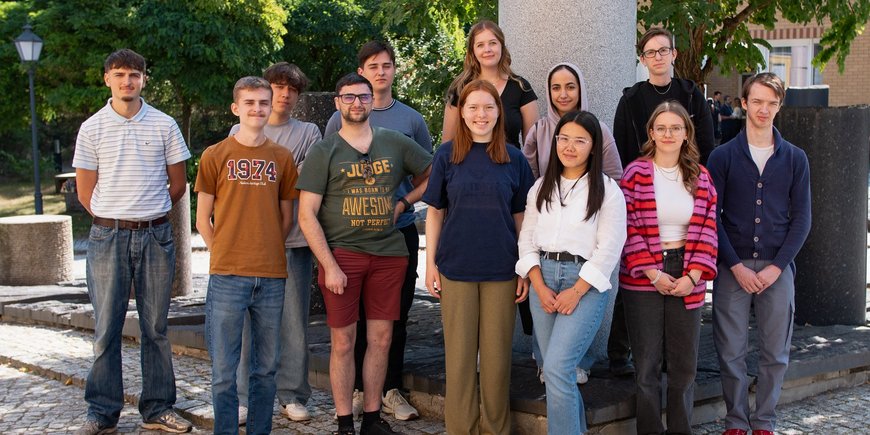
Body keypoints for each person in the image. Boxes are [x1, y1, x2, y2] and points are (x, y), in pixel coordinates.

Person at [297, 72, 432, 435]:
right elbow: (306, 214)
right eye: (349, 97)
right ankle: (344, 423)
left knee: (382, 339)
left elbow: (433, 174)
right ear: (338, 103)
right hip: (343, 256)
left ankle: (372, 418)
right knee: (343, 341)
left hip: (389, 255)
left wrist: (405, 202)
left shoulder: (394, 141)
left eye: (363, 97)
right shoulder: (324, 151)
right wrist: (329, 266)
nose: (356, 103)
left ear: (373, 101)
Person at [73, 48, 192, 435]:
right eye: (120, 74)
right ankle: (102, 413)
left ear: (144, 79)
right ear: (106, 77)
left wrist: (148, 209)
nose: (128, 81)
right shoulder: (91, 128)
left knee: (155, 328)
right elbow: (85, 191)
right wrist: (115, 215)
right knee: (106, 327)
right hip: (108, 236)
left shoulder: (164, 124)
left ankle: (158, 407)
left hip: (156, 235)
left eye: (135, 75)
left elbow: (178, 183)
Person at [423, 79, 534, 434]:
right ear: (462, 113)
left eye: (488, 107)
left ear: (499, 112)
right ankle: (461, 429)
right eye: (473, 107)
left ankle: (496, 429)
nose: (480, 114)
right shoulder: (446, 155)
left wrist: (525, 270)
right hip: (455, 267)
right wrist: (430, 265)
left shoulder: (514, 159)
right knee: (458, 359)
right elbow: (435, 211)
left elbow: (522, 219)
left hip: (502, 269)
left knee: (497, 360)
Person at [708, 72, 811, 435]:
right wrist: (734, 265)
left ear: (779, 106)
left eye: (771, 103)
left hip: (777, 269)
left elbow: (802, 220)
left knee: (775, 351)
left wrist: (777, 268)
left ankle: (764, 421)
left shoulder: (796, 159)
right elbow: (711, 216)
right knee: (730, 351)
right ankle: (736, 421)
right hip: (731, 268)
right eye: (757, 101)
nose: (763, 109)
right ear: (745, 102)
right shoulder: (722, 157)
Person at [610, 26, 716, 378]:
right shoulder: (631, 99)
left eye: (663, 50)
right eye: (650, 52)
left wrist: (690, 180)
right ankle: (619, 352)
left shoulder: (691, 95)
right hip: (642, 192)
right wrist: (641, 184)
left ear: (673, 54)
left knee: (677, 307)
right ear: (642, 59)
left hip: (683, 184)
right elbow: (624, 147)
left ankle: (673, 360)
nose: (657, 57)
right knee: (636, 287)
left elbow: (707, 146)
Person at [195, 76, 298, 434]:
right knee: (224, 370)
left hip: (271, 276)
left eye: (263, 103)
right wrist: (222, 250)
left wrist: (267, 245)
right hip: (227, 276)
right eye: (250, 103)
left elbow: (287, 217)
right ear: (236, 108)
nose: (257, 109)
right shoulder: (215, 155)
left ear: (271, 108)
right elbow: (201, 218)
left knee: (265, 369)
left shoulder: (282, 157)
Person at [517, 110, 627, 434]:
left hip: (585, 283)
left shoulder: (607, 191)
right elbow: (527, 238)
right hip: (543, 280)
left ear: (593, 147)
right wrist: (537, 284)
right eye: (564, 138)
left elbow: (609, 249)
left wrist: (576, 290)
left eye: (580, 140)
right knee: (555, 372)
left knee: (558, 367)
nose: (570, 146)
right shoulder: (540, 187)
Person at [230, 63, 322, 424]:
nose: (284, 94)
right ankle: (243, 397)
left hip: (294, 241)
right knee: (245, 324)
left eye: (291, 89)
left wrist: (271, 176)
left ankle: (293, 394)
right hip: (248, 242)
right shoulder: (240, 129)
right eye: (277, 87)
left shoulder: (308, 132)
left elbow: (300, 180)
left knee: (293, 322)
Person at [620, 101, 718, 435]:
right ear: (651, 132)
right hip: (644, 274)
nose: (668, 134)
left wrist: (693, 276)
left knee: (684, 365)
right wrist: (652, 272)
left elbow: (708, 228)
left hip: (687, 269)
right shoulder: (635, 173)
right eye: (661, 128)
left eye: (675, 128)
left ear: (686, 133)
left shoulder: (701, 177)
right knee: (646, 364)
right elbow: (627, 226)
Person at [522, 62, 624, 385]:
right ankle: (545, 363)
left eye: (570, 86)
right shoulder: (538, 130)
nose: (563, 94)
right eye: (556, 87)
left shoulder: (601, 132)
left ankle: (577, 363)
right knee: (550, 360)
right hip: (548, 230)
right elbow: (530, 175)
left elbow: (613, 176)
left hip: (585, 238)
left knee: (567, 353)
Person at [441, 20, 538, 148]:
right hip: (468, 166)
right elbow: (447, 145)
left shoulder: (520, 87)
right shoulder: (459, 88)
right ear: (472, 51)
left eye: (492, 43)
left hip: (510, 165)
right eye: (480, 45)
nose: (487, 50)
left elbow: (533, 147)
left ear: (502, 47)